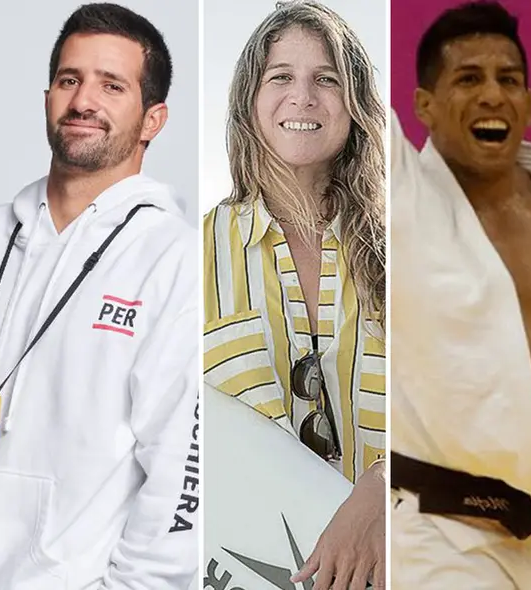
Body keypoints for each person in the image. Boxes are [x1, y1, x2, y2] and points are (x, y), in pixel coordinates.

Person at [0, 4, 198, 589]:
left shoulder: (172, 259)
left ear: (153, 119)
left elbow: (181, 477)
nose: (84, 101)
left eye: (112, 85)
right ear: (48, 95)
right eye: (69, 80)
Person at [202, 1, 386, 588]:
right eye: (280, 77)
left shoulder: (413, 252)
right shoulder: (191, 251)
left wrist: (381, 490)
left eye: (326, 79)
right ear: (249, 104)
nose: (303, 97)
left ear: (353, 105)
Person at [389, 2, 531, 588]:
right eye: (468, 78)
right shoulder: (398, 198)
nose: (493, 94)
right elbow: (333, 47)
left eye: (508, 80)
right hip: (442, 533)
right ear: (424, 106)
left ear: (530, 103)